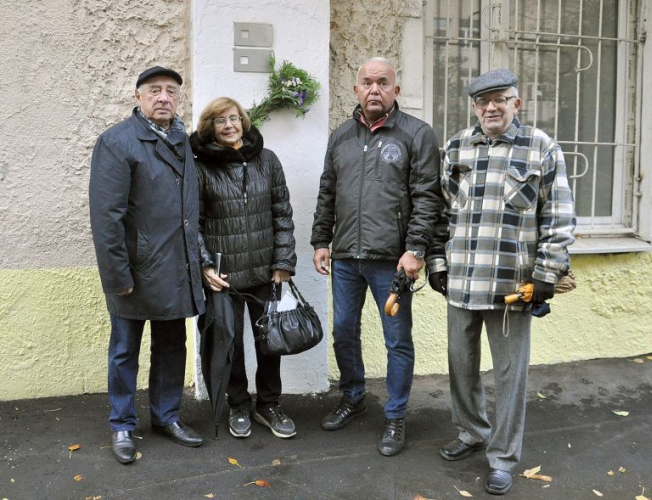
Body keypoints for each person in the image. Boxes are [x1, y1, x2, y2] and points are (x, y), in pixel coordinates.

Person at [427, 69, 576, 495]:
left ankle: (503, 457)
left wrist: (546, 274)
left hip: (513, 287)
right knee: (460, 366)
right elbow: (440, 213)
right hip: (462, 282)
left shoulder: (541, 147)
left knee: (510, 375)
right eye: (482, 101)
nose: (490, 107)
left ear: (516, 103)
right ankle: (472, 431)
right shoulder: (456, 146)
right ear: (474, 106)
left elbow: (559, 217)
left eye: (500, 99)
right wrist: (437, 262)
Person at [311, 57, 441, 456]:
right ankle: (353, 397)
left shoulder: (417, 134)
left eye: (382, 82)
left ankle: (395, 415)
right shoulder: (341, 136)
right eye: (367, 82)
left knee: (396, 340)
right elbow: (327, 191)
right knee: (343, 331)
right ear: (356, 90)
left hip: (393, 262)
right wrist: (321, 240)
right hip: (346, 257)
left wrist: (415, 249)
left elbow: (427, 197)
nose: (374, 89)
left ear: (395, 91)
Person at [89, 66, 206, 465]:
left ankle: (166, 416)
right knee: (125, 351)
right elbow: (107, 218)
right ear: (137, 97)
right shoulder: (117, 142)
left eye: (171, 91)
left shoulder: (182, 140)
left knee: (172, 347)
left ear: (179, 99)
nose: (163, 98)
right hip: (135, 272)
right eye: (154, 90)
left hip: (176, 269)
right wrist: (117, 276)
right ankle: (122, 424)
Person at [190, 96, 297, 439]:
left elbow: (282, 213)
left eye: (234, 118)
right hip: (224, 276)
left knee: (270, 343)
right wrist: (205, 266)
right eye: (220, 120)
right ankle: (238, 404)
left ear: (243, 122)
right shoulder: (200, 167)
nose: (229, 125)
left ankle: (269, 405)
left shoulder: (268, 160)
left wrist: (283, 262)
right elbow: (193, 223)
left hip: (266, 272)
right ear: (210, 127)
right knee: (230, 344)